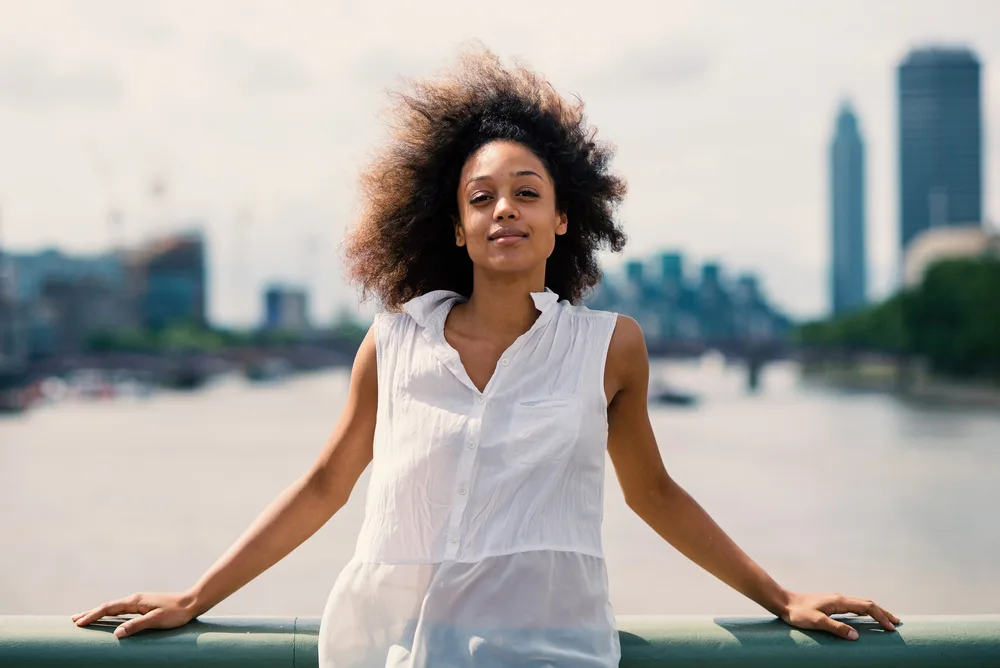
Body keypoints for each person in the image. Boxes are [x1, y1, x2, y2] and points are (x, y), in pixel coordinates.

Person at [73, 48, 899, 667]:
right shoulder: (394, 342)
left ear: (564, 220)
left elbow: (653, 492)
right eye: (482, 197)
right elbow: (326, 483)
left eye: (528, 193)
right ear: (457, 226)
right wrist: (196, 596)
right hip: (390, 654)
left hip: (551, 655)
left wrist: (781, 596)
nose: (505, 208)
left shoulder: (609, 347)